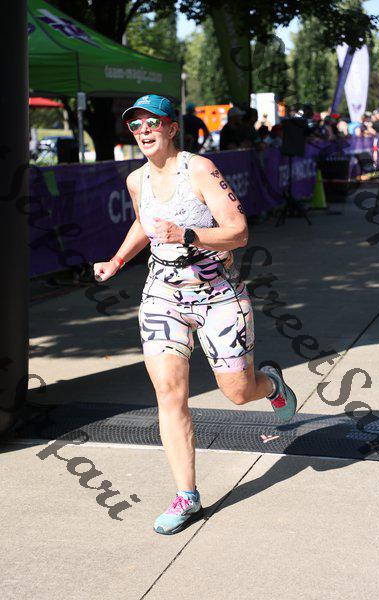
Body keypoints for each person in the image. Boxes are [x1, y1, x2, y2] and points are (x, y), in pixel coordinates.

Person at [93, 94, 297, 536]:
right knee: (169, 394)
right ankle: (187, 495)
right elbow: (145, 223)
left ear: (171, 128)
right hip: (162, 296)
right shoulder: (136, 180)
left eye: (152, 123)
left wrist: (187, 233)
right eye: (135, 126)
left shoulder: (199, 170)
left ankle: (270, 383)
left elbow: (239, 233)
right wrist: (117, 260)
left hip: (218, 296)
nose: (143, 131)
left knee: (238, 392)